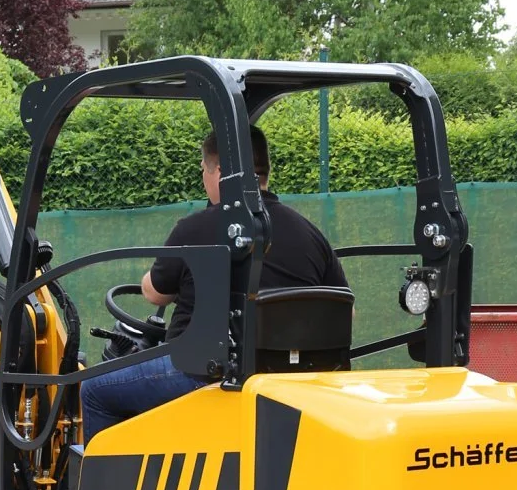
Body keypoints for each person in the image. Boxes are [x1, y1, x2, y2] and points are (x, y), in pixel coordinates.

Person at [78, 124, 348, 448]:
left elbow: (153, 292)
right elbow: (344, 310)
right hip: (292, 378)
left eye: (204, 170)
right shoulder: (310, 235)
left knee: (93, 389)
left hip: (205, 372)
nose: (205, 179)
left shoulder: (197, 228)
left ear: (220, 170)